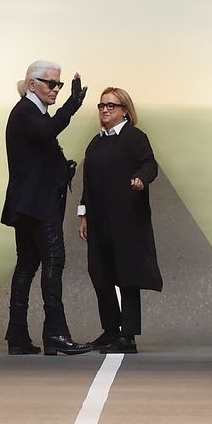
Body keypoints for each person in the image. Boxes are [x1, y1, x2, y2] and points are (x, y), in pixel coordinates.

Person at [0, 60, 91, 356]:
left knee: (27, 264)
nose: (56, 90)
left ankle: (18, 334)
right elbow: (47, 131)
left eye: (59, 85)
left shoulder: (31, 113)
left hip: (28, 203)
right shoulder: (27, 112)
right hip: (37, 205)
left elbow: (40, 150)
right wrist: (72, 104)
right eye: (51, 84)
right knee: (54, 259)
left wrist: (61, 169)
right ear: (32, 84)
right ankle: (55, 333)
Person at [77, 87, 162, 354]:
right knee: (100, 274)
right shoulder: (96, 142)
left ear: (125, 110)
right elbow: (88, 182)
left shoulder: (134, 137)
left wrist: (141, 179)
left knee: (127, 275)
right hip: (99, 220)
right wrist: (83, 214)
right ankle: (111, 330)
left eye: (111, 106)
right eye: (102, 106)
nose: (105, 110)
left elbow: (150, 165)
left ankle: (128, 336)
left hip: (127, 220)